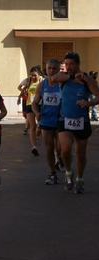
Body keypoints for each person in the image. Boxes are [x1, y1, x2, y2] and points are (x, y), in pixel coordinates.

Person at [50, 52, 99, 194]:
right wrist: (71, 76)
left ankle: (79, 179)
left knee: (80, 153)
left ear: (78, 64)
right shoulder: (64, 77)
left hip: (81, 120)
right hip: (65, 119)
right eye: (67, 64)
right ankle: (68, 172)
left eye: (72, 64)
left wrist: (88, 102)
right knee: (65, 150)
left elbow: (98, 95)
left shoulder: (87, 79)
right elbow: (53, 78)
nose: (69, 67)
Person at [32, 59, 62, 185]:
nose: (51, 71)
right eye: (49, 68)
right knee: (49, 148)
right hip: (46, 120)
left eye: (54, 68)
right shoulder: (42, 85)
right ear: (46, 69)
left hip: (61, 120)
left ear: (59, 70)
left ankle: (60, 158)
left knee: (61, 149)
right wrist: (37, 113)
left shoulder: (62, 84)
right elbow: (34, 103)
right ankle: (52, 173)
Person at [23, 66, 44, 156]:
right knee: (32, 126)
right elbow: (24, 92)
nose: (33, 77)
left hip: (40, 105)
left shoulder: (43, 81)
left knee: (41, 126)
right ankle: (34, 146)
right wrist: (23, 106)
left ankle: (39, 136)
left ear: (39, 75)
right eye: (32, 75)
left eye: (35, 75)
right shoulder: (29, 81)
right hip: (30, 105)